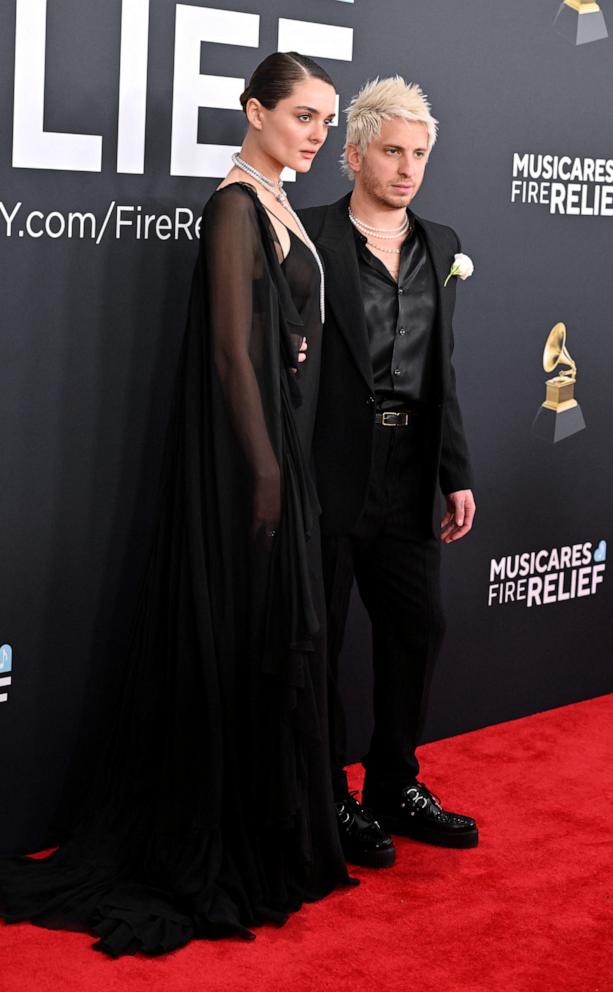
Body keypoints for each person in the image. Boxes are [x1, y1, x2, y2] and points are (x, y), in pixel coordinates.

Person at [0, 53, 353, 957]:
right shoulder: (235, 207)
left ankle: (267, 831)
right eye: (301, 115)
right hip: (243, 459)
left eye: (326, 118)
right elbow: (224, 352)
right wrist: (260, 472)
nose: (317, 133)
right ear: (253, 112)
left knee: (271, 637)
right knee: (240, 631)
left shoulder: (277, 203)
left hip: (277, 445)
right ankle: (213, 837)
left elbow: (275, 333)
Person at [300, 76, 478, 869]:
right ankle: (325, 789)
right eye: (391, 152)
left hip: (410, 470)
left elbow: (440, 368)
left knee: (418, 626)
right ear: (353, 154)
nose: (407, 169)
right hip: (330, 469)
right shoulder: (308, 239)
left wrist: (454, 473)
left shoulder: (440, 244)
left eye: (418, 155)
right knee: (323, 636)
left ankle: (393, 783)